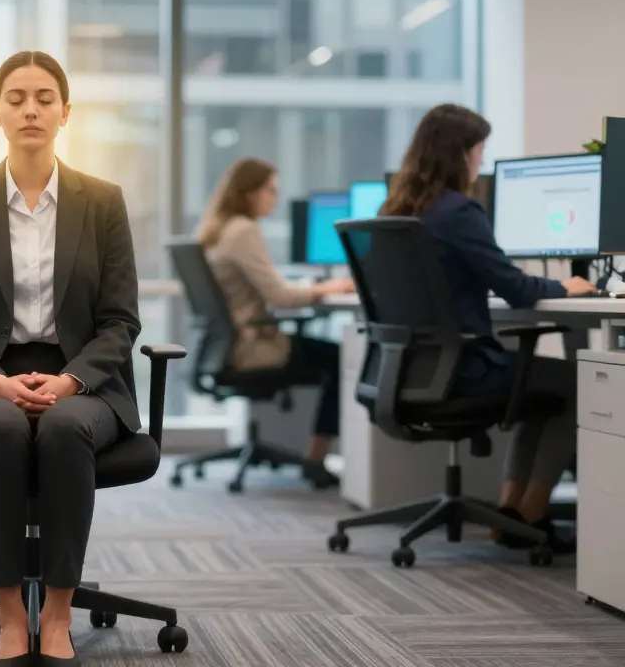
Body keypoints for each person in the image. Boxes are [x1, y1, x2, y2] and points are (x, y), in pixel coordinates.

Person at [0, 50, 134, 666]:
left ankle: (60, 610)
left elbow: (120, 321)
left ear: (66, 113)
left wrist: (72, 381)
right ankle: (11, 611)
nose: (31, 109)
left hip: (85, 378)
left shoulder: (102, 201)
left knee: (67, 431)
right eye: (16, 98)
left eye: (45, 98)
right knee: (1, 427)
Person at [381, 103, 594, 553]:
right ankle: (531, 513)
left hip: (413, 371)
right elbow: (515, 287)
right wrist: (568, 285)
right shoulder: (459, 211)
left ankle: (509, 514)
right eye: (479, 151)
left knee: (540, 386)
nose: (480, 162)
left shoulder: (401, 209)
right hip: (461, 371)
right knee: (575, 381)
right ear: (460, 154)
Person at [197, 157, 354, 487]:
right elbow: (280, 296)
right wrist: (329, 287)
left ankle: (318, 456)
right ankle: (316, 458)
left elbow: (271, 290)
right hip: (253, 347)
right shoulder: (243, 230)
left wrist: (309, 289)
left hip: (232, 344)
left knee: (331, 355)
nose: (275, 198)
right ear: (250, 193)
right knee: (342, 359)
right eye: (271, 191)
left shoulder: (221, 228)